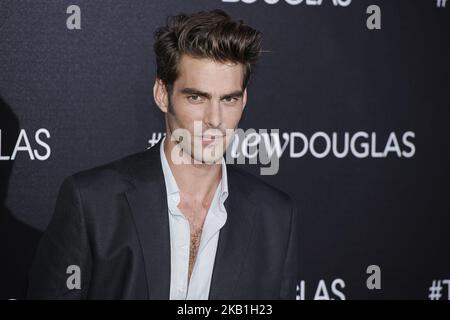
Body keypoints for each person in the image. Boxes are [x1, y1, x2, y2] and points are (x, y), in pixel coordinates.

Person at [27, 9, 299, 300]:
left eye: (229, 99)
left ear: (243, 100)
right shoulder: (93, 203)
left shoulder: (276, 218)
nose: (215, 118)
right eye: (196, 97)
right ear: (162, 94)